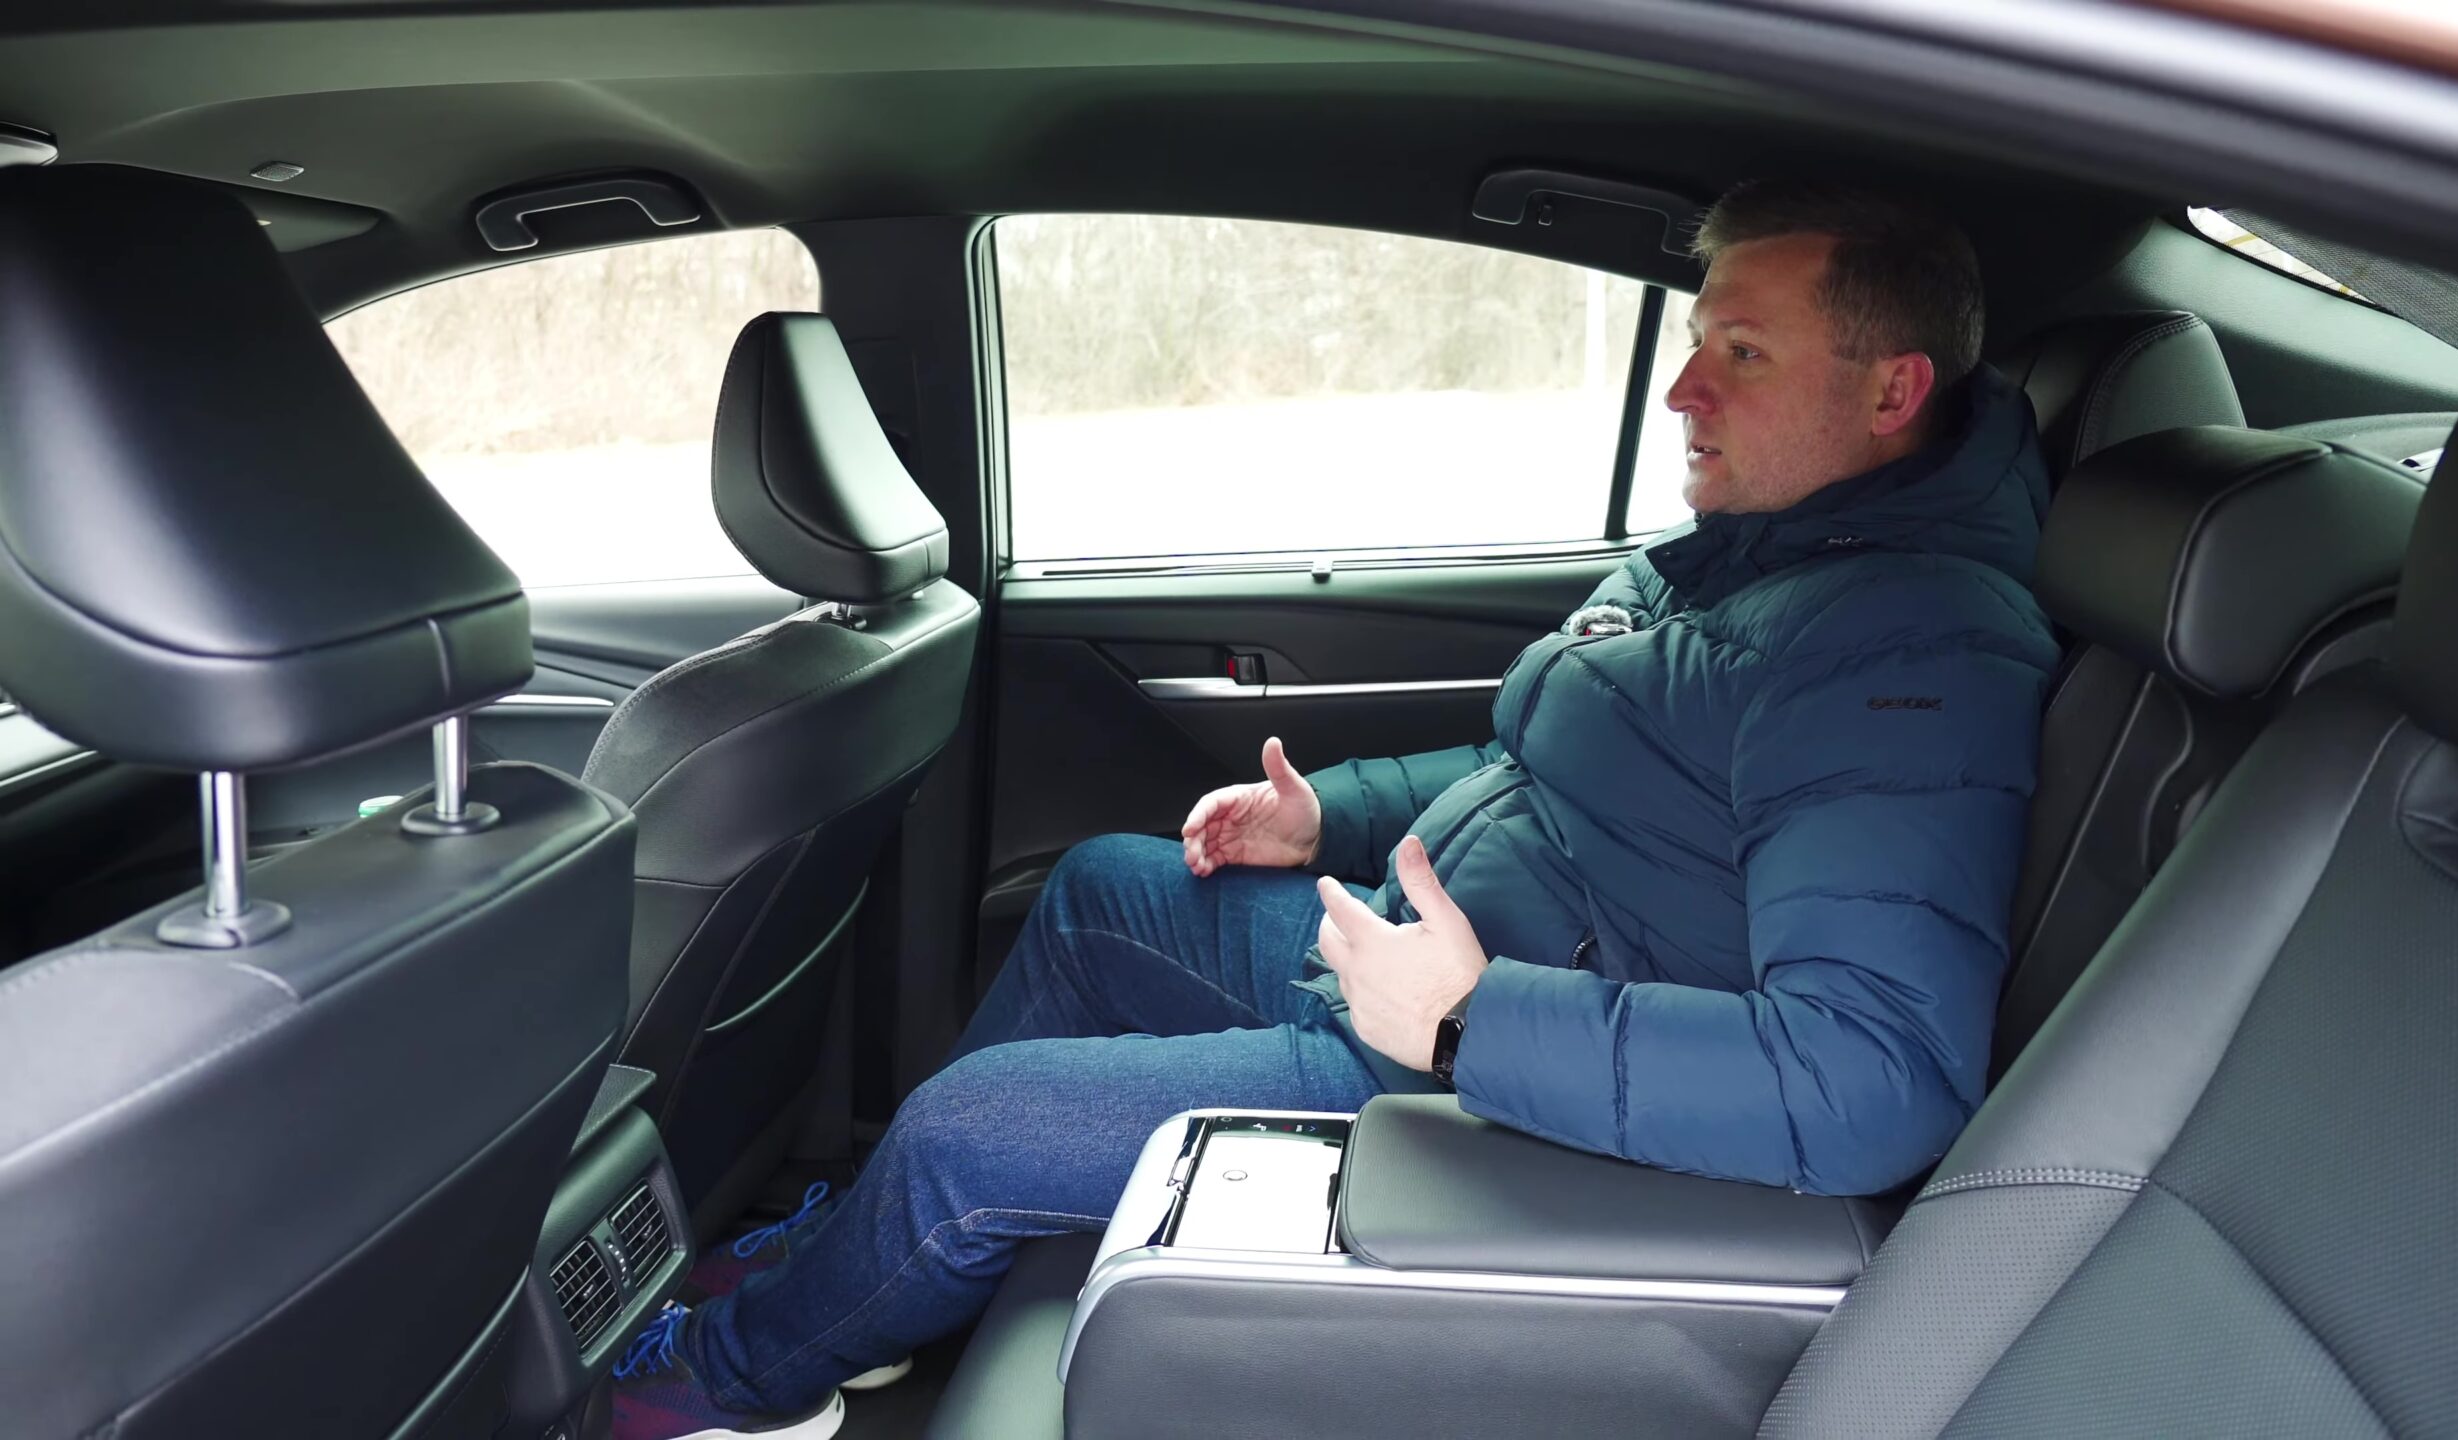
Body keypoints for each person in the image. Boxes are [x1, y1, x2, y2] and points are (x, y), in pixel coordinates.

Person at [611, 179, 2061, 1440]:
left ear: (1893, 391)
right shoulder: (1743, 557)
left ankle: (734, 1382)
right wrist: (1332, 825)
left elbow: (1873, 1076)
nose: (1686, 390)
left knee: (962, 1134)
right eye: (1695, 341)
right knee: (1103, 890)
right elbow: (1552, 778)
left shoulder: (1911, 651)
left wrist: (1471, 1024)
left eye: (1742, 352)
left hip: (1487, 1090)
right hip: (1426, 973)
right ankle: (862, 1274)